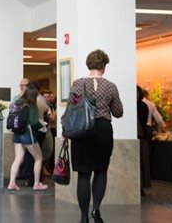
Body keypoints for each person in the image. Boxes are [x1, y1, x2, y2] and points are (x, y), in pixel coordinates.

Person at [62, 49, 123, 223]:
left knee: (83, 174)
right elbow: (118, 112)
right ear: (103, 66)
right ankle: (96, 209)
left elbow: (69, 111)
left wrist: (64, 132)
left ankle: (83, 217)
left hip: (81, 130)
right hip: (103, 130)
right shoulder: (110, 86)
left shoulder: (77, 84)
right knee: (101, 171)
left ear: (89, 65)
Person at [7, 81, 49, 191]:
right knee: (38, 158)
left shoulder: (18, 102)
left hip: (17, 134)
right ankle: (36, 184)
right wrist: (43, 126)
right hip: (27, 134)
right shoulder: (32, 104)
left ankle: (12, 183)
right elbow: (34, 122)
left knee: (18, 158)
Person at [136, 85, 151, 196]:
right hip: (142, 135)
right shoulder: (143, 105)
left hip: (141, 135)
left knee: (141, 162)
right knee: (142, 162)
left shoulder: (141, 106)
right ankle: (141, 186)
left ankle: (140, 186)